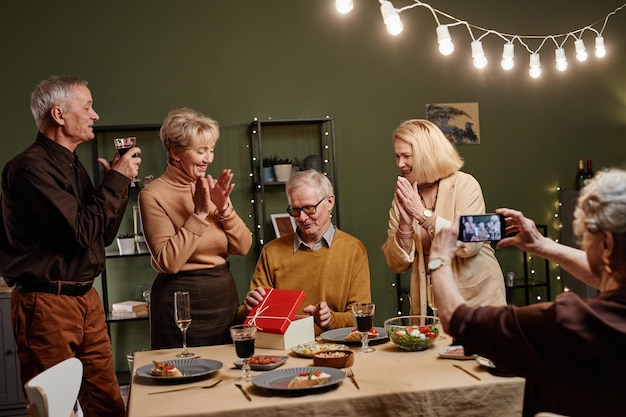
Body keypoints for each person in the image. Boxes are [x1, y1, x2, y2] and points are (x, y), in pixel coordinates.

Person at [429, 168, 626, 417]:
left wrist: (439, 259)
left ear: (606, 244)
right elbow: (607, 275)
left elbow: (459, 321)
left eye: (586, 237)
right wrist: (542, 245)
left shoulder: (570, 321)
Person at [0, 76, 140, 416]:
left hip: (86, 300)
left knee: (107, 404)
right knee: (55, 409)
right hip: (46, 305)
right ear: (59, 115)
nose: (96, 115)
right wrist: (117, 181)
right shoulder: (28, 168)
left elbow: (100, 236)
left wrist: (119, 186)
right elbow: (80, 230)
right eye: (88, 106)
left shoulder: (73, 164)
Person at [138, 107, 252, 349]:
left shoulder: (211, 187)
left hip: (222, 292)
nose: (209, 158)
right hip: (179, 299)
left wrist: (224, 210)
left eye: (211, 150)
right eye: (201, 151)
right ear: (176, 153)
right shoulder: (152, 195)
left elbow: (243, 247)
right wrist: (200, 213)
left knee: (226, 374)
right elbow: (168, 261)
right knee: (183, 374)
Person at [381, 119, 505, 316]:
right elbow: (396, 264)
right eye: (397, 156)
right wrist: (404, 226)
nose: (400, 164)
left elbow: (470, 245)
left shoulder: (466, 185)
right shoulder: (404, 194)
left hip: (478, 300)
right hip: (428, 305)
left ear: (427, 155)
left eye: (406, 156)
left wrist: (422, 215)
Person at [238, 169, 371, 335]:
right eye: (295, 210)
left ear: (330, 202)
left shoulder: (353, 250)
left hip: (337, 347)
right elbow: (248, 317)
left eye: (309, 208)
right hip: (284, 348)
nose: (302, 218)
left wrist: (331, 320)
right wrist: (249, 309)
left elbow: (362, 315)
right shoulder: (272, 251)